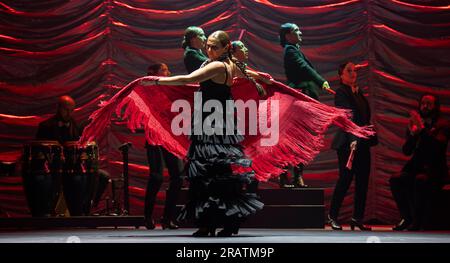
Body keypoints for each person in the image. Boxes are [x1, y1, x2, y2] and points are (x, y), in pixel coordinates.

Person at [141, 31, 269, 237]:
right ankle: (220, 223)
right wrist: (261, 77)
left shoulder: (218, 66)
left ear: (226, 48)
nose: (209, 50)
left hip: (213, 122)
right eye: (207, 46)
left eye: (214, 47)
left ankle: (212, 224)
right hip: (216, 120)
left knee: (209, 173)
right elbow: (248, 73)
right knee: (218, 172)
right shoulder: (231, 65)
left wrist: (156, 81)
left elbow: (188, 78)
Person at [279, 23, 333, 188]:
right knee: (294, 138)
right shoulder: (290, 50)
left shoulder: (294, 49)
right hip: (298, 100)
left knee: (299, 138)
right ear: (288, 35)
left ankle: (295, 175)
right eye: (296, 30)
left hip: (303, 99)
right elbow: (304, 69)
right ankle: (288, 175)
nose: (300, 32)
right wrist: (321, 80)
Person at [328, 62, 377, 231]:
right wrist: (353, 139)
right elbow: (346, 118)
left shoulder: (357, 92)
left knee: (363, 180)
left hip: (362, 142)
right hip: (348, 142)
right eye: (349, 70)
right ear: (341, 75)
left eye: (354, 70)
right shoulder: (341, 92)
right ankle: (332, 216)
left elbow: (364, 116)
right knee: (346, 179)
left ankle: (357, 218)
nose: (353, 73)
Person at [390, 94, 450, 231]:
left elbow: (436, 149)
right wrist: (412, 135)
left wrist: (422, 130)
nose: (425, 106)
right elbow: (406, 151)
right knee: (396, 180)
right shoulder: (416, 123)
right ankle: (407, 217)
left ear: (436, 107)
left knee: (420, 180)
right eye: (423, 103)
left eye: (429, 104)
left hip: (435, 170)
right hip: (416, 167)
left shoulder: (443, 124)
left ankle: (418, 222)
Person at [143, 63, 184, 230]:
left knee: (178, 177)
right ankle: (147, 216)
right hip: (154, 137)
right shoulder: (148, 89)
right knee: (156, 177)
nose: (169, 72)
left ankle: (167, 218)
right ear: (154, 73)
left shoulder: (172, 89)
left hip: (169, 138)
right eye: (164, 70)